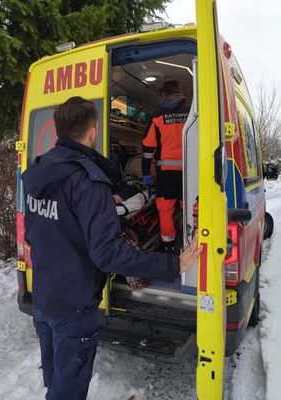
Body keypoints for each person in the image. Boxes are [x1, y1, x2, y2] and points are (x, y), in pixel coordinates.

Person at [22, 96, 201, 400]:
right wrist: (173, 265)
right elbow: (107, 254)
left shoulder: (39, 172)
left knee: (56, 381)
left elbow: (31, 234)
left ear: (58, 130)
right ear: (92, 131)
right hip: (74, 307)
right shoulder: (88, 182)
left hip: (43, 299)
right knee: (68, 391)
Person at [142, 80, 189, 253]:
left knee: (165, 209)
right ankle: (189, 242)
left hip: (166, 174)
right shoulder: (192, 112)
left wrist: (146, 171)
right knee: (190, 207)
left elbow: (148, 147)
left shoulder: (157, 116)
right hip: (189, 172)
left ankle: (168, 245)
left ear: (163, 94)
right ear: (179, 93)